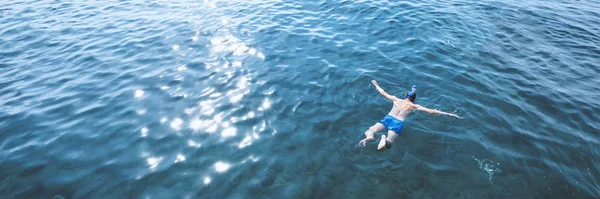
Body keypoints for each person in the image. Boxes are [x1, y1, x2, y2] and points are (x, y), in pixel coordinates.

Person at [359, 80, 461, 150]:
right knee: (389, 143)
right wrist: (450, 114)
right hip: (397, 123)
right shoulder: (414, 106)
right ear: (414, 99)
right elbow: (432, 111)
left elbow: (383, 93)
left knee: (371, 130)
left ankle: (370, 137)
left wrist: (376, 85)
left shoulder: (396, 99)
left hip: (388, 118)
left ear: (405, 96)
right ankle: (385, 139)